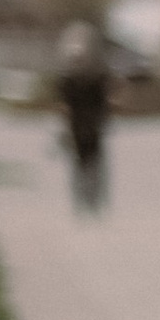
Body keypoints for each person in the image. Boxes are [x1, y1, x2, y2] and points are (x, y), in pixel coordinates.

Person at [55, 20, 112, 214]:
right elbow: (65, 105)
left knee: (94, 162)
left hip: (93, 125)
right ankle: (81, 199)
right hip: (77, 126)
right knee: (80, 163)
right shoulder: (68, 80)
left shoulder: (97, 78)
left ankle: (93, 199)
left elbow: (103, 102)